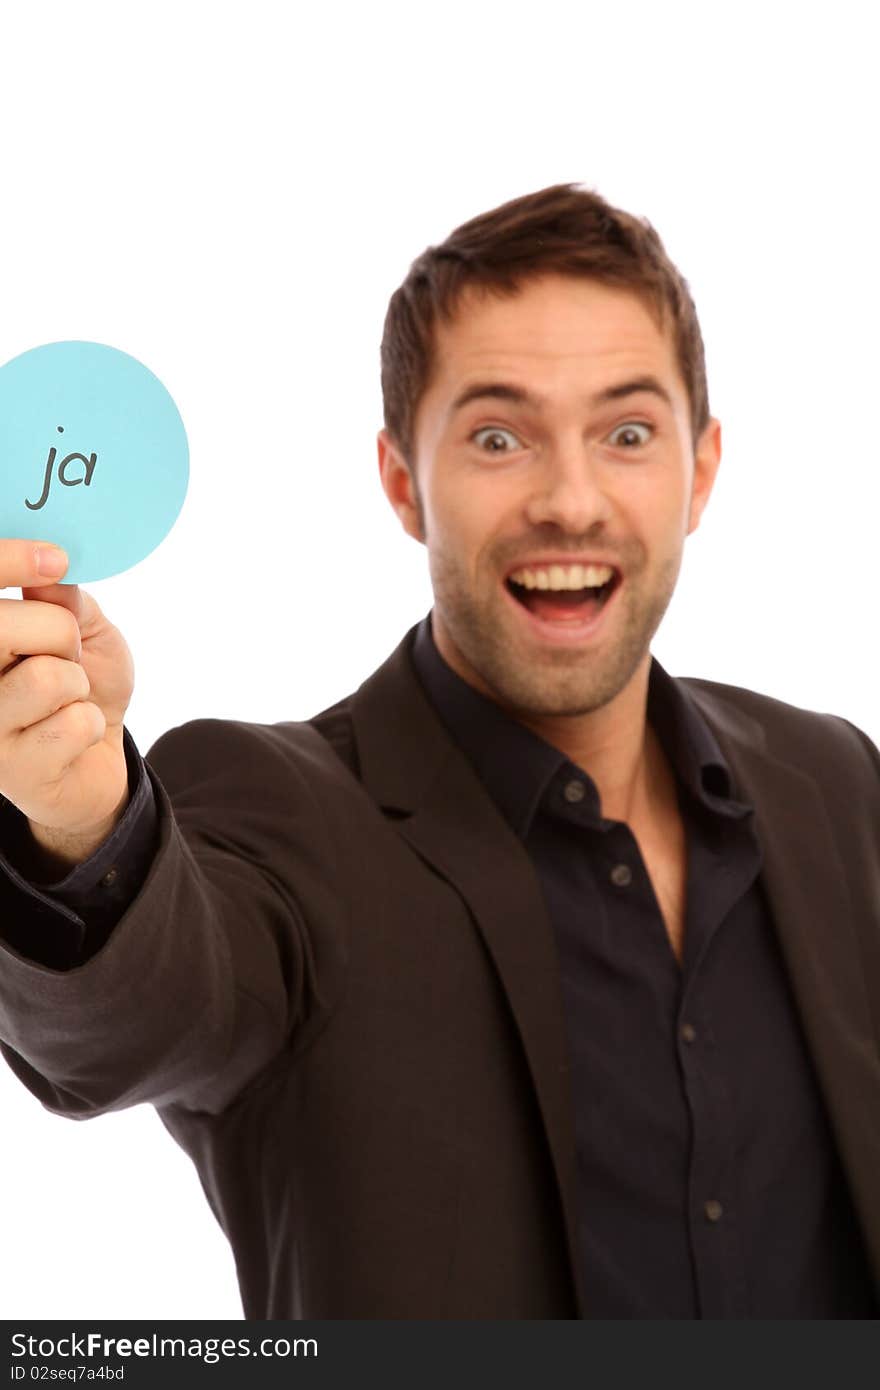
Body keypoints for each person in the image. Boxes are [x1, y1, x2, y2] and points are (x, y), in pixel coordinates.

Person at [0, 183, 878, 1321]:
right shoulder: (277, 808)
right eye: (498, 436)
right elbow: (136, 1016)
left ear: (699, 471)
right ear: (403, 481)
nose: (570, 501)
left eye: (625, 433)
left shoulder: (834, 782)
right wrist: (77, 818)